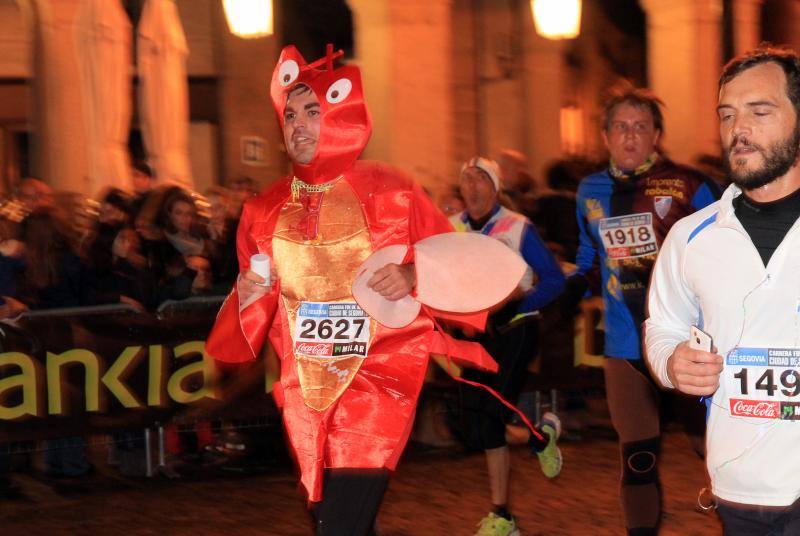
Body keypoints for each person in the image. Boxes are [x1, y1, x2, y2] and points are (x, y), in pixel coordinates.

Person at [205, 45, 510, 535]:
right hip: (306, 392)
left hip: (378, 382)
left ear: (341, 114)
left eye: (313, 111)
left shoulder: (394, 190)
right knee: (336, 520)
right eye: (290, 114)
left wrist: (414, 274)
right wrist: (247, 293)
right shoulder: (262, 211)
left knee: (341, 525)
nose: (299, 125)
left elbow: (461, 262)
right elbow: (254, 310)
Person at [645, 45, 800, 535]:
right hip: (739, 487)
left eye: (760, 111)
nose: (739, 129)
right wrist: (672, 363)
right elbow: (662, 327)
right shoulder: (690, 237)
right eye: (728, 115)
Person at [570, 87, 721, 534]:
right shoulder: (589, 190)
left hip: (688, 344)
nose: (630, 136)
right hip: (625, 345)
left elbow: (726, 252)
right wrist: (557, 288)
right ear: (605, 136)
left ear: (656, 135)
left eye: (640, 127)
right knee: (638, 459)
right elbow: (587, 258)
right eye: (621, 127)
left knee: (716, 454)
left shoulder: (692, 185)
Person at [450, 156, 565, 536]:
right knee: (473, 428)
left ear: (495, 187)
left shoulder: (517, 227)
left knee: (491, 413)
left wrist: (515, 304)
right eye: (466, 179)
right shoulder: (451, 229)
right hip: (474, 335)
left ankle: (502, 515)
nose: (472, 186)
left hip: (517, 328)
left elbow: (553, 280)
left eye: (480, 179)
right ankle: (539, 437)